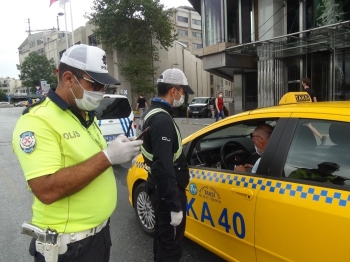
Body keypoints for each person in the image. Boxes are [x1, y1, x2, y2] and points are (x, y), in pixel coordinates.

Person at [12, 44, 143, 262]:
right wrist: (108, 157)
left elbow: (88, 159)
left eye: (105, 86)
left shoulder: (85, 116)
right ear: (68, 78)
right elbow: (45, 189)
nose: (101, 91)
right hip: (68, 247)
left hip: (98, 236)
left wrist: (118, 149)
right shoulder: (37, 120)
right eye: (95, 84)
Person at [139, 68, 194, 262]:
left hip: (157, 188)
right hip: (167, 193)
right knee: (171, 247)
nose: (183, 96)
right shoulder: (162, 119)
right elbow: (163, 166)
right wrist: (174, 205)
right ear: (174, 91)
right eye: (183, 91)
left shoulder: (151, 112)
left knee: (163, 239)